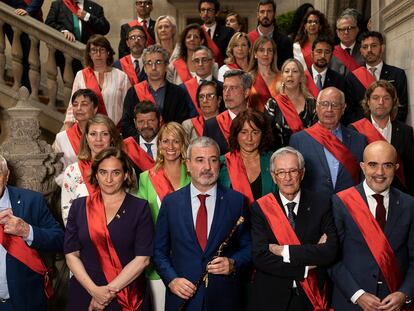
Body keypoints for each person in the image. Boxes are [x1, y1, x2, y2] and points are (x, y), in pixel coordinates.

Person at [153, 136, 251, 311]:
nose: (207, 167)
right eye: (200, 160)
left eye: (213, 160)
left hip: (225, 299)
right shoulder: (171, 203)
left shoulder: (237, 201)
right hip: (183, 299)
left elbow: (249, 247)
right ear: (188, 165)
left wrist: (233, 263)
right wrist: (172, 279)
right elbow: (159, 252)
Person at [64, 147, 154, 311]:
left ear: (126, 175)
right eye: (103, 172)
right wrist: (94, 291)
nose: (109, 179)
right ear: (96, 175)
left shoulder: (140, 208)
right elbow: (71, 255)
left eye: (116, 173)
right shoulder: (79, 206)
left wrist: (106, 294)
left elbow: (143, 259)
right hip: (85, 290)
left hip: (128, 293)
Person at [249, 147, 338, 310]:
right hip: (271, 299)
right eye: (281, 172)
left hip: (311, 299)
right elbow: (260, 257)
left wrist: (285, 252)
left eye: (293, 171)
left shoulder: (322, 203)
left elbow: (330, 251)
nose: (288, 178)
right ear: (274, 177)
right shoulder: (260, 208)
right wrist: (304, 266)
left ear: (302, 173)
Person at [330, 141, 414, 311]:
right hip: (351, 303)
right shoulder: (340, 202)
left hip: (395, 304)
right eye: (373, 165)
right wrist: (357, 294)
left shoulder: (409, 204)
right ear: (362, 167)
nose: (380, 173)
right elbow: (331, 258)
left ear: (396, 168)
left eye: (387, 165)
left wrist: (404, 294)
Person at [137, 122, 191, 311]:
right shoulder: (146, 177)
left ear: (184, 144)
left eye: (176, 141)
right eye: (165, 141)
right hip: (159, 260)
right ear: (159, 144)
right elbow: (142, 224)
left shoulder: (194, 175)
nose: (170, 146)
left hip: (189, 256)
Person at [0, 155, 64, 310]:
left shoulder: (31, 200)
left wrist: (27, 230)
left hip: (23, 302)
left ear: (6, 176)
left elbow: (60, 239)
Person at [290, 87, 366, 196]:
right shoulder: (299, 140)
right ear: (317, 106)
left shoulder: (359, 140)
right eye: (324, 104)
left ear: (343, 108)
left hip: (349, 204)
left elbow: (363, 179)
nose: (329, 109)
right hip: (313, 205)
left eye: (335, 105)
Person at [350, 80, 414, 195]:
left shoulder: (406, 131)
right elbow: (353, 170)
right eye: (375, 98)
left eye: (386, 98)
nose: (381, 102)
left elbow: (410, 170)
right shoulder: (354, 130)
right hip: (366, 196)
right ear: (368, 102)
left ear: (393, 102)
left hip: (398, 196)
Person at [61, 114, 122, 226]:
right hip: (83, 238)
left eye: (104, 134)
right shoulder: (73, 171)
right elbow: (67, 213)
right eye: (93, 134)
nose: (98, 139)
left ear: (112, 138)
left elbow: (132, 209)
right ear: (86, 139)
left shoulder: (125, 169)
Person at [121, 45, 189, 139]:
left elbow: (181, 122)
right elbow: (126, 123)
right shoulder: (133, 92)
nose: (153, 67)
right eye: (149, 63)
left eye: (158, 62)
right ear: (144, 68)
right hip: (141, 146)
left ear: (166, 66)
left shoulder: (178, 93)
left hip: (169, 145)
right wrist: (143, 141)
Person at [64, 35, 130, 129]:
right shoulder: (81, 75)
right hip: (87, 132)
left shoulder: (121, 76)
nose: (98, 54)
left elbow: (128, 108)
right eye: (94, 50)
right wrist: (68, 131)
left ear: (108, 52)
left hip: (114, 131)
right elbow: (72, 105)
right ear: (89, 54)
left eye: (102, 50)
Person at [344, 31, 409, 124]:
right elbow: (349, 110)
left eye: (374, 46)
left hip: (390, 131)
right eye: (365, 47)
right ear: (361, 51)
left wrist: (389, 128)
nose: (369, 50)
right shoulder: (352, 77)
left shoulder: (397, 74)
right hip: (362, 132)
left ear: (382, 48)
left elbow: (401, 107)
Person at [219, 109, 275, 205]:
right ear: (236, 135)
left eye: (255, 133)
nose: (249, 138)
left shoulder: (274, 161)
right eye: (244, 132)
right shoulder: (222, 163)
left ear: (263, 135)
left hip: (268, 218)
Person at [45, 0, 110, 75]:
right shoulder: (58, 5)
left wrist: (87, 17)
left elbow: (105, 28)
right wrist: (63, 30)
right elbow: (49, 23)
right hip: (67, 55)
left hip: (89, 55)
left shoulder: (95, 7)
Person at [265, 58, 316, 147]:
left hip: (308, 155)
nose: (290, 75)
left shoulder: (312, 104)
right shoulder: (272, 104)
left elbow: (318, 134)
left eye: (295, 71)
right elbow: (267, 136)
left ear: (301, 77)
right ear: (282, 77)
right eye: (286, 71)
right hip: (281, 156)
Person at [53, 89, 98, 187]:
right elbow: (57, 171)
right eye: (75, 104)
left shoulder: (105, 135)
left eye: (84, 104)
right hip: (73, 191)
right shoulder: (62, 137)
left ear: (95, 109)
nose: (79, 108)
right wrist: (76, 184)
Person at [204, 69, 251, 155]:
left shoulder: (261, 121)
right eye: (225, 88)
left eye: (233, 88)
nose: (226, 93)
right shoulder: (211, 126)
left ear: (246, 92)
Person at [2, 0, 43, 90]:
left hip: (28, 18)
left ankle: (27, 90)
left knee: (30, 59)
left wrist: (28, 10)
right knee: (18, 55)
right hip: (9, 17)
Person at [248, 0, 293, 70]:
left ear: (274, 14)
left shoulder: (284, 40)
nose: (265, 15)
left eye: (269, 11)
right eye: (262, 12)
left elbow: (288, 66)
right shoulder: (249, 38)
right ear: (257, 15)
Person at [180, 46, 222, 117]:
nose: (200, 64)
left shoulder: (222, 87)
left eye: (204, 60)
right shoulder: (183, 89)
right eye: (197, 61)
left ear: (212, 62)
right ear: (193, 63)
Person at [123, 101, 160, 174]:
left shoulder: (169, 145)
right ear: (135, 122)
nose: (146, 125)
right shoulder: (125, 147)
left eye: (151, 121)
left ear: (159, 120)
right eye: (141, 121)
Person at [248, 36, 281, 112]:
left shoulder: (282, 78)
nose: (266, 54)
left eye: (269, 50)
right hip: (253, 121)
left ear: (273, 55)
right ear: (255, 54)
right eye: (261, 50)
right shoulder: (247, 78)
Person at [198, 0, 234, 65]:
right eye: (203, 10)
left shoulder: (227, 32)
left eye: (209, 10)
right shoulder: (196, 32)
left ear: (216, 13)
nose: (205, 13)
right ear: (200, 13)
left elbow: (230, 55)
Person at [330, 10, 364, 76]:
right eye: (342, 29)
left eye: (350, 28)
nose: (346, 32)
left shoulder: (364, 50)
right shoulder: (330, 52)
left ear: (357, 30)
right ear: (337, 32)